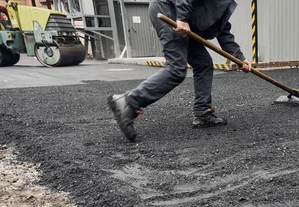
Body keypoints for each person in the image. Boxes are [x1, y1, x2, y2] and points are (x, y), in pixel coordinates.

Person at [108, 0, 252, 142]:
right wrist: (182, 18)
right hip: (169, 10)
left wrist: (239, 58)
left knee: (203, 63)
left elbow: (222, 29)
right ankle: (128, 102)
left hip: (183, 19)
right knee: (176, 69)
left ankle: (203, 112)